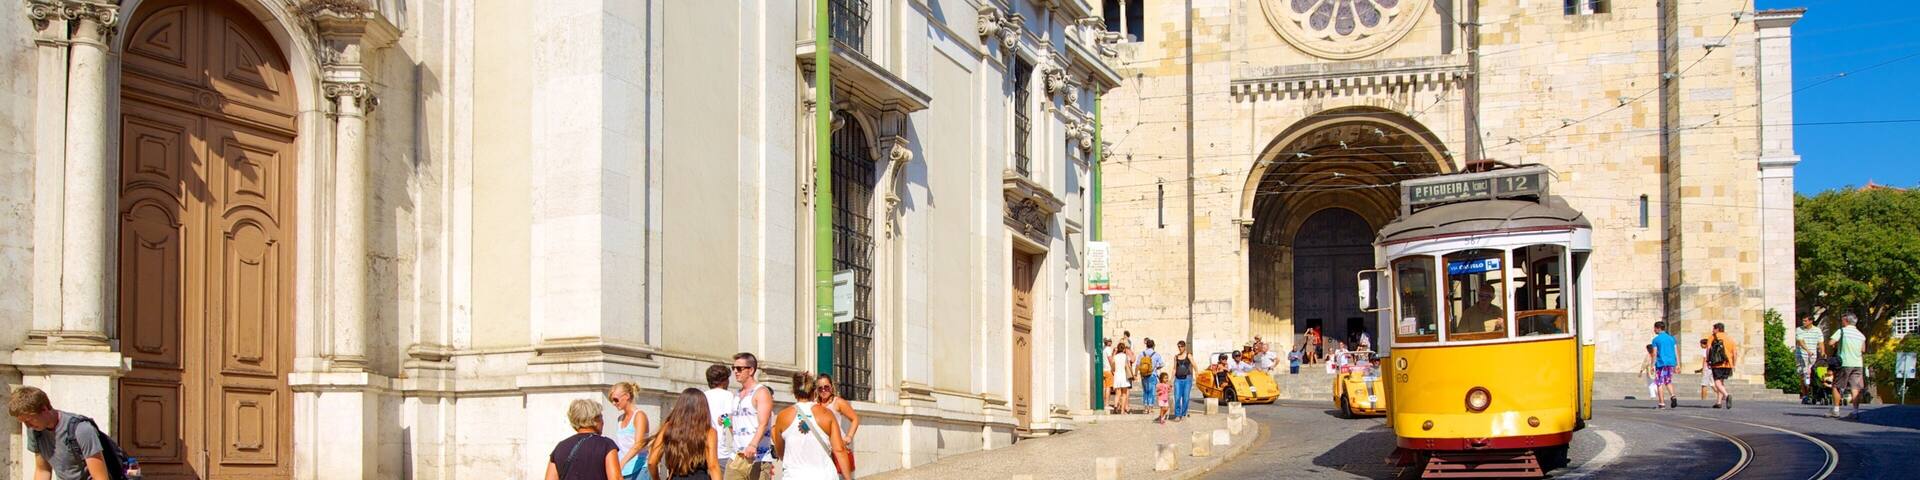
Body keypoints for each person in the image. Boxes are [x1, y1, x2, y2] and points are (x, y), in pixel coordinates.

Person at [10, 385, 129, 480]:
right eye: (23, 422)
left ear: (44, 409)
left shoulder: (82, 430)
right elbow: (43, 471)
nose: (27, 426)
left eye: (29, 420)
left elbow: (100, 477)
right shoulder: (35, 431)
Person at [773, 372, 853, 480]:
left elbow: (781, 451)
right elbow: (839, 450)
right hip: (824, 475)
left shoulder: (783, 416)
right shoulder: (827, 414)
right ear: (814, 392)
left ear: (794, 393)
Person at [648, 389, 723, 480]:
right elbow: (713, 467)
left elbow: (652, 461)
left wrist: (656, 478)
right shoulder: (709, 432)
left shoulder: (668, 427)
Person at [545, 398, 622, 480]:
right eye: (601, 417)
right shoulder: (606, 445)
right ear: (594, 419)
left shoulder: (560, 447)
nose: (603, 422)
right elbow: (616, 478)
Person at [727, 353, 774, 480]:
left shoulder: (761, 392)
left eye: (739, 369)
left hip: (758, 457)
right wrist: (725, 421)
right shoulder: (737, 394)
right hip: (736, 457)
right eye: (734, 368)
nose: (735, 372)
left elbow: (763, 423)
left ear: (751, 370)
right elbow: (733, 425)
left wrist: (753, 445)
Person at [1827, 313, 1868, 418]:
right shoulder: (1861, 335)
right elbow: (1863, 350)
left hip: (1844, 363)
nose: (1841, 322)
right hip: (1858, 364)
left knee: (1837, 386)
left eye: (1842, 320)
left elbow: (1831, 342)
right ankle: (1855, 411)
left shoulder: (1842, 331)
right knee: (1855, 388)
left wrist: (1838, 345)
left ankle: (1836, 410)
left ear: (1846, 321)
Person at [608, 382, 652, 480]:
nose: (613, 403)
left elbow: (639, 444)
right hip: (624, 470)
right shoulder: (620, 419)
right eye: (612, 400)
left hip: (639, 469)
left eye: (615, 399)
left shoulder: (639, 416)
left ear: (627, 396)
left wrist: (622, 463)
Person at [812, 374, 861, 447]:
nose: (823, 390)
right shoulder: (814, 404)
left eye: (826, 387)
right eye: (820, 388)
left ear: (831, 387)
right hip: (821, 447)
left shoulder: (838, 402)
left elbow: (855, 419)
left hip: (837, 445)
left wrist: (849, 436)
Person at [701, 364, 734, 458]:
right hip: (721, 451)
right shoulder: (727, 395)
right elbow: (726, 418)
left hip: (704, 450)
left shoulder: (703, 395)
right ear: (724, 381)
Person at [1706, 323, 1739, 409]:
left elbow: (1708, 349)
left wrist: (1707, 360)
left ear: (1717, 329)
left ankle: (1727, 395)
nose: (1712, 331)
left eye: (1713, 329)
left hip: (1717, 363)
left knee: (1717, 382)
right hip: (1728, 363)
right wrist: (1734, 364)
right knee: (1721, 382)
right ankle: (1719, 402)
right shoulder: (1729, 338)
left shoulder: (1713, 337)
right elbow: (1735, 353)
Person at [1794, 316, 1825, 399]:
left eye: (1805, 321)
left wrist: (1823, 352)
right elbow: (1800, 341)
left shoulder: (1817, 330)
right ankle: (1805, 394)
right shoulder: (1799, 329)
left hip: (1812, 356)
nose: (1803, 322)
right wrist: (1807, 350)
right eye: (1803, 321)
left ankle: (1811, 392)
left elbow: (1821, 342)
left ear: (1811, 321)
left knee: (1811, 374)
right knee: (1803, 374)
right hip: (1801, 356)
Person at [1650, 321, 1679, 409]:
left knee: (1659, 383)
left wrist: (1652, 365)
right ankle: (1673, 395)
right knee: (1668, 381)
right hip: (1670, 363)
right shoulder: (1671, 338)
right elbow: (1676, 351)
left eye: (1655, 328)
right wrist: (1677, 364)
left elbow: (1654, 353)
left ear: (1658, 328)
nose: (1654, 330)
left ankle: (1661, 403)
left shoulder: (1656, 340)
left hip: (1661, 363)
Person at [1171, 341, 1195, 421]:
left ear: (1184, 347)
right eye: (1179, 346)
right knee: (1177, 397)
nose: (1180, 348)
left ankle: (1183, 414)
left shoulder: (1188, 355)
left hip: (1187, 378)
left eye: (1181, 346)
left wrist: (1197, 374)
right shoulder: (1176, 357)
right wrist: (1171, 380)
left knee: (1186, 397)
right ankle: (1177, 415)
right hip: (1178, 379)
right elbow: (1174, 368)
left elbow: (1194, 365)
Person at [1138, 338, 1163, 409]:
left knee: (1145, 391)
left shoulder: (1142, 353)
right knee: (1152, 391)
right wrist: (1156, 367)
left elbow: (1138, 364)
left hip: (1143, 375)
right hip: (1152, 374)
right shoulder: (1156, 354)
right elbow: (1161, 364)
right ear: (1153, 346)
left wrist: (1136, 373)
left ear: (1146, 345)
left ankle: (1146, 407)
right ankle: (1151, 406)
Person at [1109, 342, 1133, 414]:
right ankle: (1122, 410)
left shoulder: (1115, 357)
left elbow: (1112, 367)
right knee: (1124, 394)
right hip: (1123, 376)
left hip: (1117, 375)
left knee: (1117, 393)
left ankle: (1115, 407)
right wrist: (1132, 374)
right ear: (1124, 349)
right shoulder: (1125, 356)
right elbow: (1128, 366)